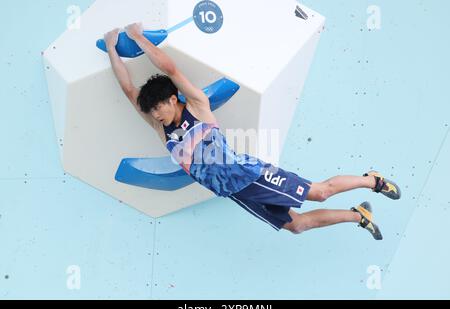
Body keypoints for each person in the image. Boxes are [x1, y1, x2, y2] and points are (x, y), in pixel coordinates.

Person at [104, 23, 401, 240]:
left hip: (251, 175)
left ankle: (371, 180)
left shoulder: (196, 107)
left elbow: (171, 70)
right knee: (297, 226)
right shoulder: (161, 129)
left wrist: (137, 37)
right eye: (151, 111)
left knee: (320, 192)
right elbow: (129, 89)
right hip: (235, 193)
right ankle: (359, 215)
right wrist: (110, 48)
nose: (155, 114)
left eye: (158, 107)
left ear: (172, 99)